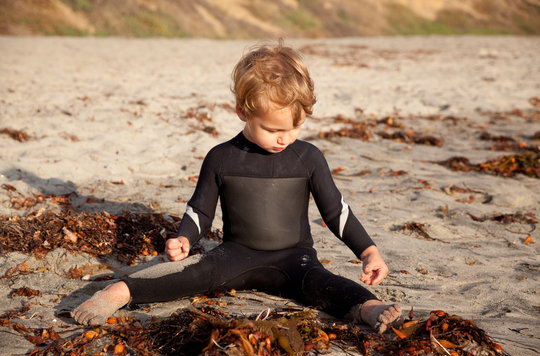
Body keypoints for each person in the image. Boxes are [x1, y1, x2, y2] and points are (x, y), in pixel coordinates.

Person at [72, 41, 402, 334]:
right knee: (190, 274)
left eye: (295, 127)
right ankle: (118, 292)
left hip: (295, 258)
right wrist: (186, 236)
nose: (284, 138)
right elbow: (200, 210)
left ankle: (368, 308)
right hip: (236, 255)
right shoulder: (222, 158)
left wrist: (368, 251)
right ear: (242, 111)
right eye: (273, 129)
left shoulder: (309, 158)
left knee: (324, 284)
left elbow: (335, 211)